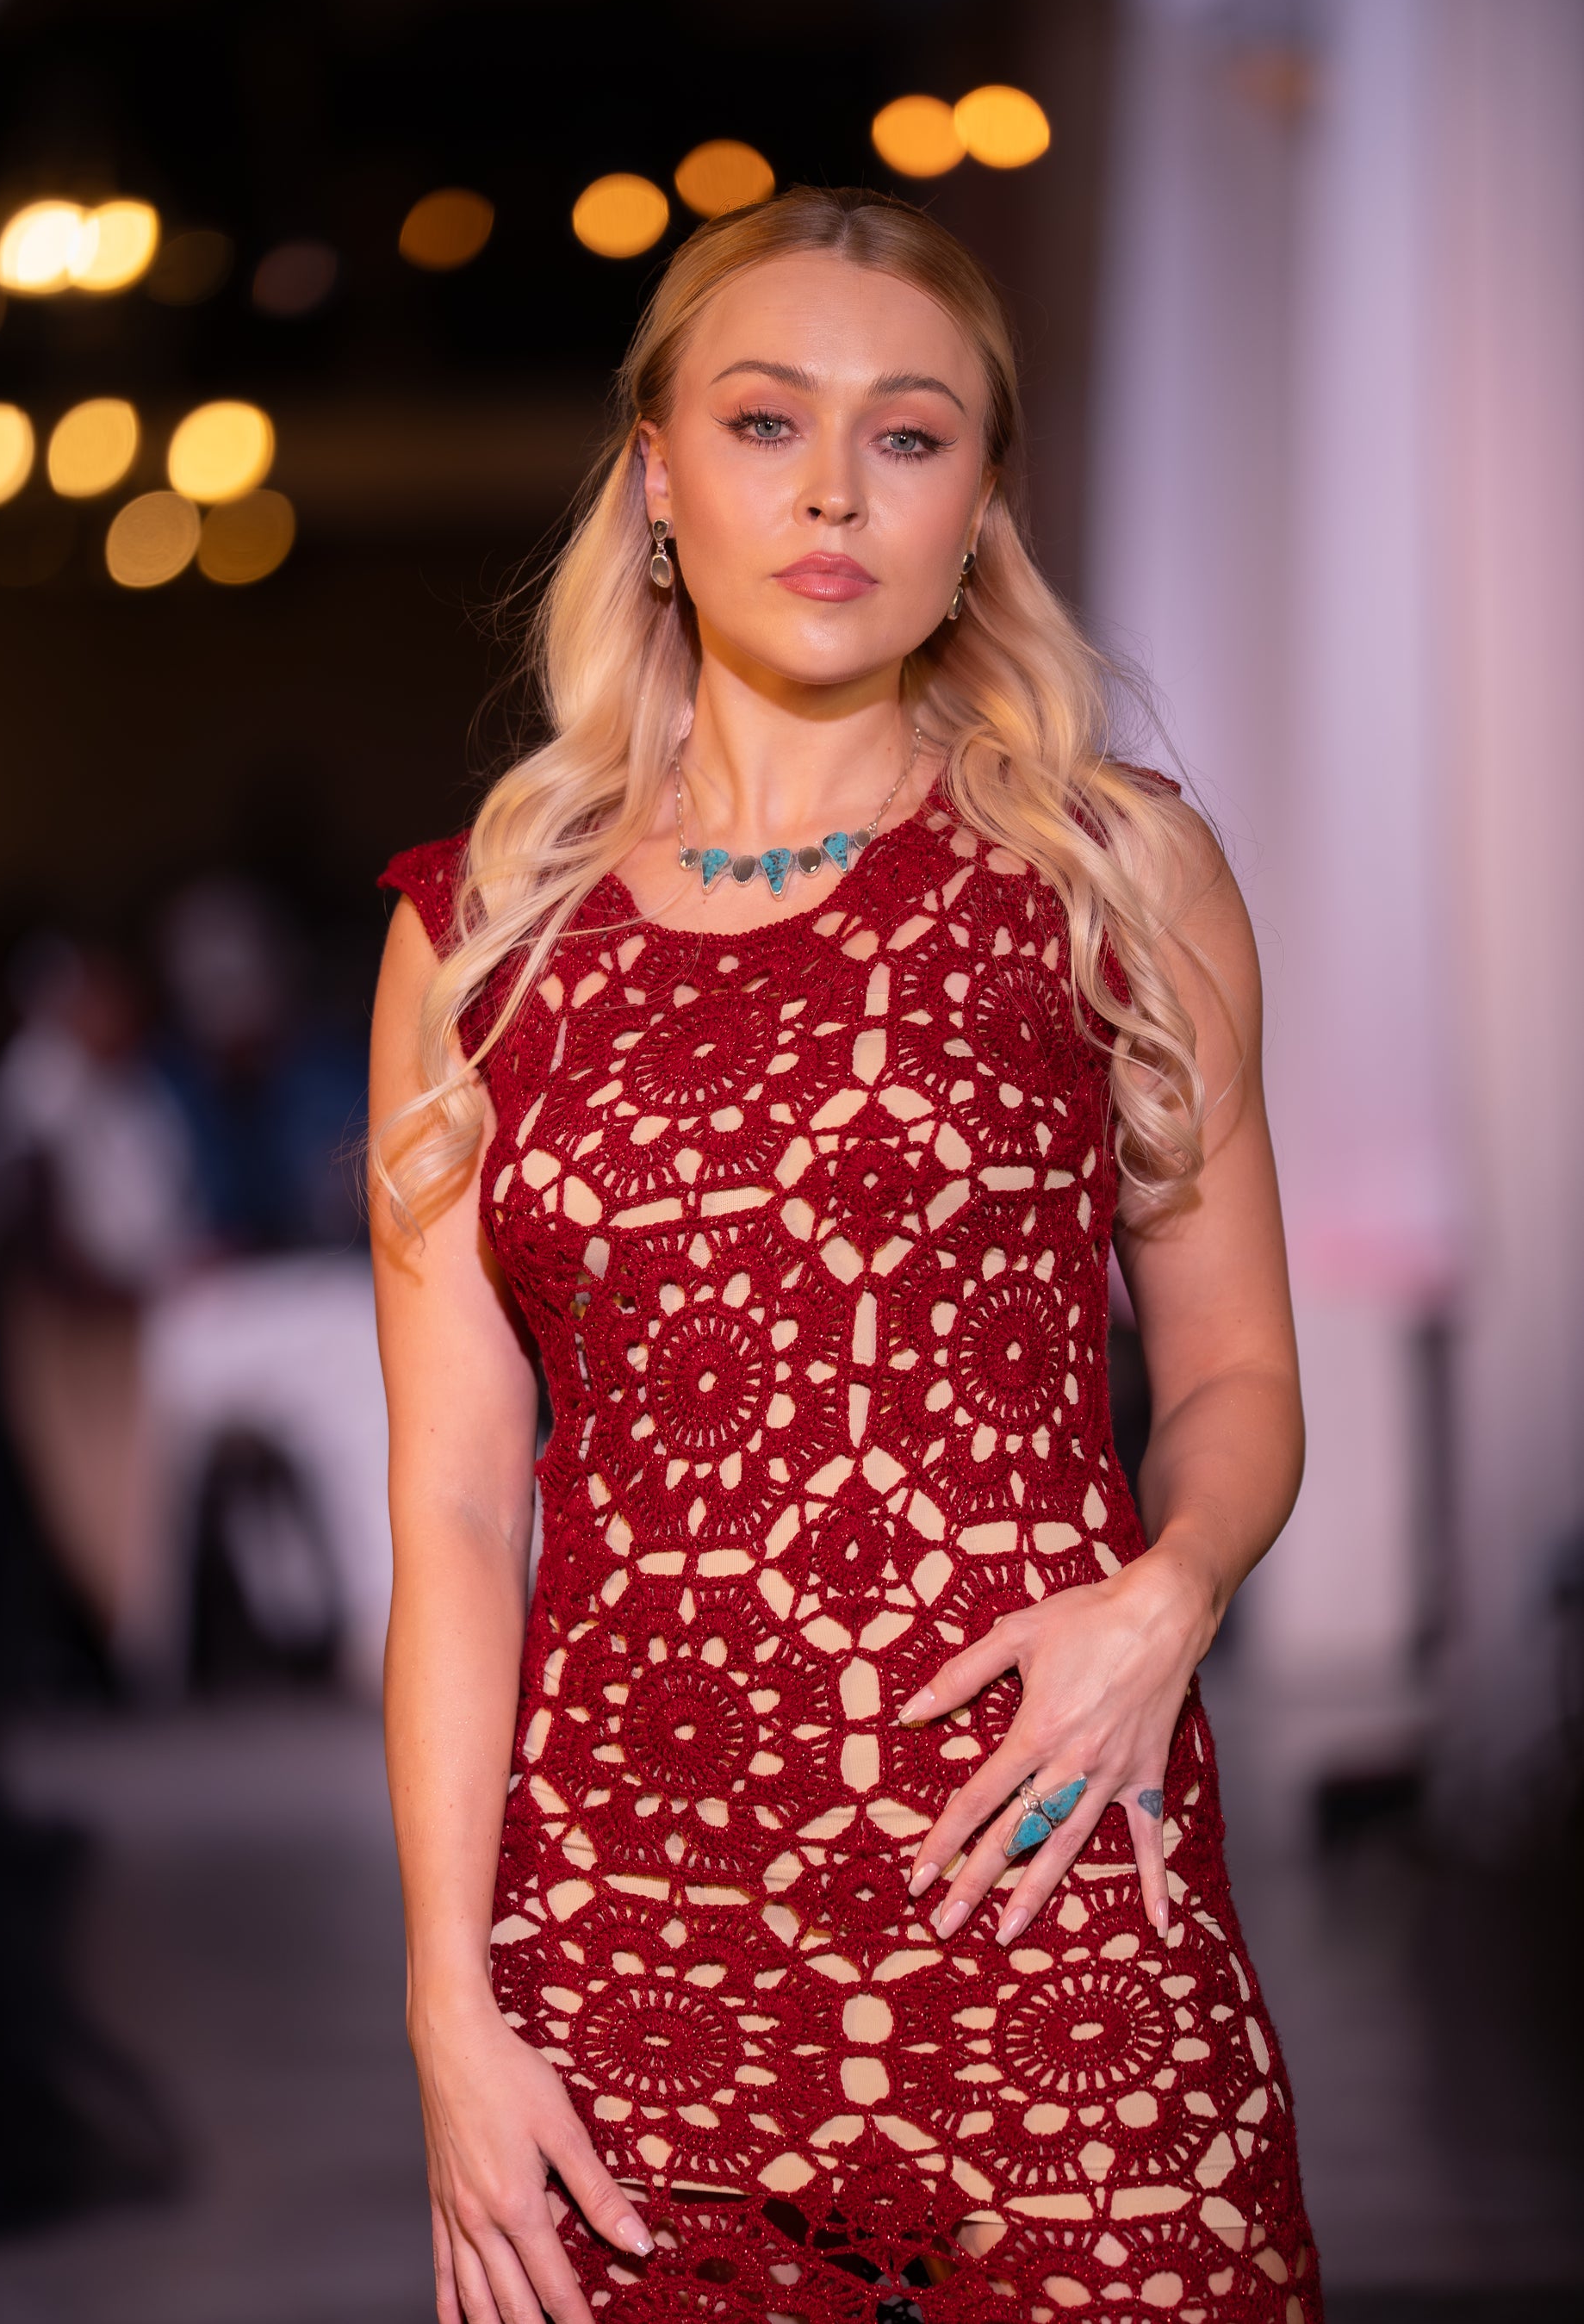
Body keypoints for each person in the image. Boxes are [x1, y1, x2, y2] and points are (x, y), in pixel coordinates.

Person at [370, 187, 1319, 2324]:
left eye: (907, 434)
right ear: (655, 474)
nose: (829, 485)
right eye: (765, 418)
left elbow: (1241, 1369)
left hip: (1052, 1882)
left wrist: (1170, 1593)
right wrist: (448, 1998)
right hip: (630, 1947)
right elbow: (445, 1510)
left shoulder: (1109, 865)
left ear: (979, 505)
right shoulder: (475, 933)